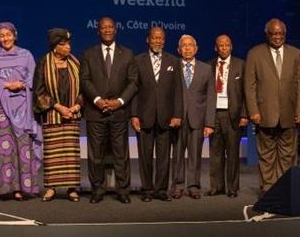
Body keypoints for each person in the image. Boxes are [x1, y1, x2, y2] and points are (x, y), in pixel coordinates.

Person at [80, 17, 137, 204]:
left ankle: (123, 190)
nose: (107, 30)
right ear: (98, 31)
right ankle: (97, 189)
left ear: (116, 30)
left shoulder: (128, 54)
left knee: (121, 153)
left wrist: (119, 101)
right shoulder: (88, 53)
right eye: (103, 27)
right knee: (95, 154)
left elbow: (132, 82)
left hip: (119, 112)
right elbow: (85, 80)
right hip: (95, 112)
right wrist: (97, 100)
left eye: (110, 27)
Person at [0, 22, 42, 200]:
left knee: (21, 148)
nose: (5, 38)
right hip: (1, 109)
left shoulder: (26, 55)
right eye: (2, 35)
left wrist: (22, 84)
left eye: (8, 35)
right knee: (3, 150)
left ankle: (21, 188)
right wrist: (6, 85)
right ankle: (1, 188)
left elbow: (34, 79)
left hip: (22, 109)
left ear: (15, 35)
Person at [245, 19, 300, 192]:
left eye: (281, 34)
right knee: (266, 155)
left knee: (288, 154)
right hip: (264, 113)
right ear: (267, 34)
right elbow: (249, 86)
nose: (278, 37)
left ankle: (285, 188)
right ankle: (269, 189)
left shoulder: (296, 54)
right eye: (274, 33)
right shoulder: (255, 54)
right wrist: (253, 111)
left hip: (290, 113)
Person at [130, 26, 183, 202]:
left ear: (164, 40)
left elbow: (177, 91)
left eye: (160, 38)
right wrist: (134, 115)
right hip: (144, 116)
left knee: (163, 157)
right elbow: (134, 90)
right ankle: (147, 190)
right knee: (145, 156)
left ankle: (161, 190)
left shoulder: (173, 61)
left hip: (166, 117)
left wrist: (177, 114)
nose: (157, 41)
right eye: (154, 38)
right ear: (148, 39)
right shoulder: (138, 61)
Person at [34, 28, 84, 202]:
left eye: (69, 44)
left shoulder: (76, 63)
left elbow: (84, 88)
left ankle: (71, 189)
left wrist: (77, 106)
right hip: (53, 115)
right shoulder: (43, 63)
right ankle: (51, 188)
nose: (68, 47)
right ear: (55, 47)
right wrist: (59, 108)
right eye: (64, 45)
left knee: (71, 155)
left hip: (72, 114)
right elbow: (39, 91)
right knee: (53, 154)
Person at [170, 35, 215, 199]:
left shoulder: (206, 69)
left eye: (190, 45)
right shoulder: (172, 67)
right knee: (177, 154)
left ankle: (194, 186)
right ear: (178, 50)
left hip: (198, 119)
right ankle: (178, 185)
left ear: (196, 49)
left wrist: (209, 123)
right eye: (184, 46)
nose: (187, 48)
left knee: (195, 155)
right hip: (177, 118)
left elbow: (211, 97)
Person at [207, 34, 247, 198]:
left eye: (227, 45)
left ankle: (232, 188)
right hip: (214, 114)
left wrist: (245, 114)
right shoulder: (209, 65)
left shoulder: (241, 65)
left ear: (231, 46)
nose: (224, 48)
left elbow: (246, 93)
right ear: (216, 48)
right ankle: (216, 186)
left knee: (232, 153)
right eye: (220, 45)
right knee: (215, 152)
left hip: (234, 115)